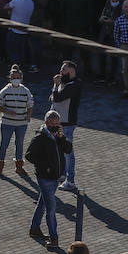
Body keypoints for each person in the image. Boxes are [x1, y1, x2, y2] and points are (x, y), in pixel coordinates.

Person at [26, 110, 73, 247]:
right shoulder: (40, 138)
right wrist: (46, 165)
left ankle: (34, 229)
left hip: (56, 177)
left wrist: (62, 137)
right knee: (51, 209)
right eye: (53, 124)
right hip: (45, 178)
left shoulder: (58, 137)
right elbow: (29, 156)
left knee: (43, 202)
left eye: (57, 124)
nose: (55, 126)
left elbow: (68, 150)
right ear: (46, 123)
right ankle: (54, 238)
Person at [0, 64, 34, 178]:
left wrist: (29, 115)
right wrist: (7, 111)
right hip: (7, 123)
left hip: (21, 123)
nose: (16, 80)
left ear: (21, 78)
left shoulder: (25, 91)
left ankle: (19, 167)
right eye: (13, 78)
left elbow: (30, 104)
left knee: (19, 144)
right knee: (4, 144)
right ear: (10, 79)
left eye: (18, 77)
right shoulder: (5, 91)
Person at [51, 60, 82, 192]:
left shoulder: (74, 85)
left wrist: (55, 85)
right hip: (60, 123)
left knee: (68, 153)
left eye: (63, 70)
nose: (60, 72)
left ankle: (70, 181)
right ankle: (63, 174)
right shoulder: (66, 83)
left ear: (71, 71)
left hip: (67, 124)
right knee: (61, 151)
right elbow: (53, 98)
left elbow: (57, 98)